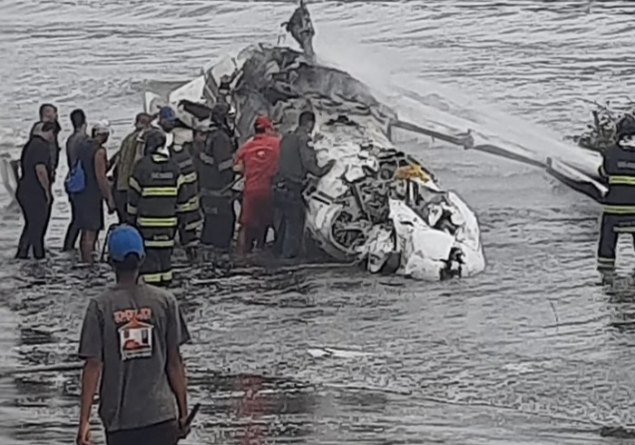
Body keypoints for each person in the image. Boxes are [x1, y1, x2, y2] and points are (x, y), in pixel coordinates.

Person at [76, 224, 190, 445]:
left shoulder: (100, 307)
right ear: (142, 258)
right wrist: (183, 413)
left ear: (110, 262)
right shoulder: (165, 302)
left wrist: (84, 422)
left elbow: (93, 366)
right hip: (162, 416)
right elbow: (175, 362)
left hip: (121, 422)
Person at [127, 130, 198, 286]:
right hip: (168, 228)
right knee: (165, 264)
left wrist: (129, 224)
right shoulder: (174, 167)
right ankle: (165, 297)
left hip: (146, 228)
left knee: (149, 267)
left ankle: (150, 299)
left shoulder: (141, 167)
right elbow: (183, 203)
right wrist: (185, 228)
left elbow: (132, 202)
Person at [273, 111, 335, 258]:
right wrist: (326, 168)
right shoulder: (304, 139)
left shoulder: (287, 137)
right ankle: (288, 264)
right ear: (310, 124)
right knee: (294, 226)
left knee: (284, 225)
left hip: (278, 187)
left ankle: (276, 256)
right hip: (292, 189)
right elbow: (309, 164)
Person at [597, 115, 635, 283]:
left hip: (613, 210)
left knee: (607, 238)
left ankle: (606, 274)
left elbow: (603, 173)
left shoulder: (610, 153)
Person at [234, 116, 281, 254]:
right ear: (267, 129)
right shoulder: (278, 143)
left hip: (251, 191)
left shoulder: (247, 146)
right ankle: (262, 250)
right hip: (270, 191)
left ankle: (241, 255)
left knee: (245, 226)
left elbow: (237, 167)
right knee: (267, 223)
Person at [197, 103, 236, 250]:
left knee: (210, 228)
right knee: (223, 231)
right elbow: (224, 168)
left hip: (208, 192)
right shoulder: (221, 139)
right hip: (220, 193)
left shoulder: (210, 135)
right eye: (230, 118)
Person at [75, 122, 116, 264]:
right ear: (103, 135)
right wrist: (109, 199)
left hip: (80, 192)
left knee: (84, 229)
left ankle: (84, 259)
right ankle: (88, 262)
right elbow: (101, 177)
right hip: (92, 194)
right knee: (91, 230)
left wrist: (113, 160)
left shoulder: (83, 147)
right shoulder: (99, 151)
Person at [15, 122, 55, 260]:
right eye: (53, 134)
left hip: (24, 189)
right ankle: (39, 256)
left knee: (30, 225)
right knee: (37, 227)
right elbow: (40, 170)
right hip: (34, 192)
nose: (53, 138)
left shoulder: (30, 144)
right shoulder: (41, 146)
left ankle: (22, 254)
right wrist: (47, 191)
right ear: (49, 131)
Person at [168, 128, 203, 258]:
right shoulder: (188, 156)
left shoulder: (172, 159)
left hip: (180, 206)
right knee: (190, 239)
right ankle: (193, 259)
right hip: (192, 206)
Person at [112, 113, 152, 222]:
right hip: (132, 188)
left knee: (124, 222)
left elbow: (117, 161)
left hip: (120, 187)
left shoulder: (127, 139)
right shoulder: (143, 139)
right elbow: (138, 162)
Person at [63, 109, 89, 252]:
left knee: (76, 218)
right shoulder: (83, 139)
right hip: (82, 183)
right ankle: (73, 247)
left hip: (72, 180)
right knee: (81, 219)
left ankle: (69, 246)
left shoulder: (70, 139)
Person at [30, 103, 62, 175]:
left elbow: (58, 128)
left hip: (46, 166)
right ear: (47, 113)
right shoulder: (44, 127)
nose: (56, 115)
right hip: (44, 166)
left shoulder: (42, 126)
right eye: (54, 112)